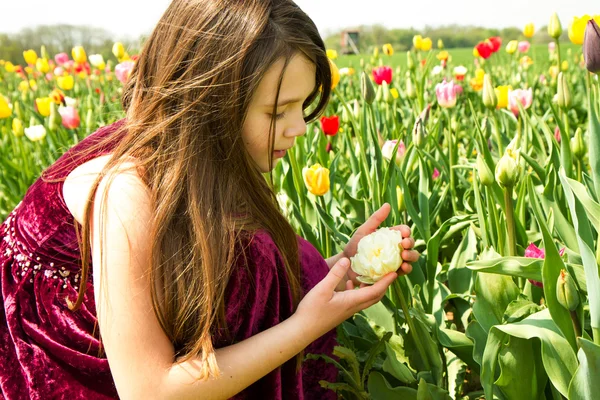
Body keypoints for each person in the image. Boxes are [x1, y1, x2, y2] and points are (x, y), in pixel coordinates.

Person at [0, 0, 419, 399]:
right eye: (277, 112)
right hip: (65, 371)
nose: (300, 128)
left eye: (302, 105)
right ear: (208, 101)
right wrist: (305, 327)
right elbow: (148, 391)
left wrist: (340, 272)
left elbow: (219, 288)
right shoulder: (126, 192)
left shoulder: (202, 157)